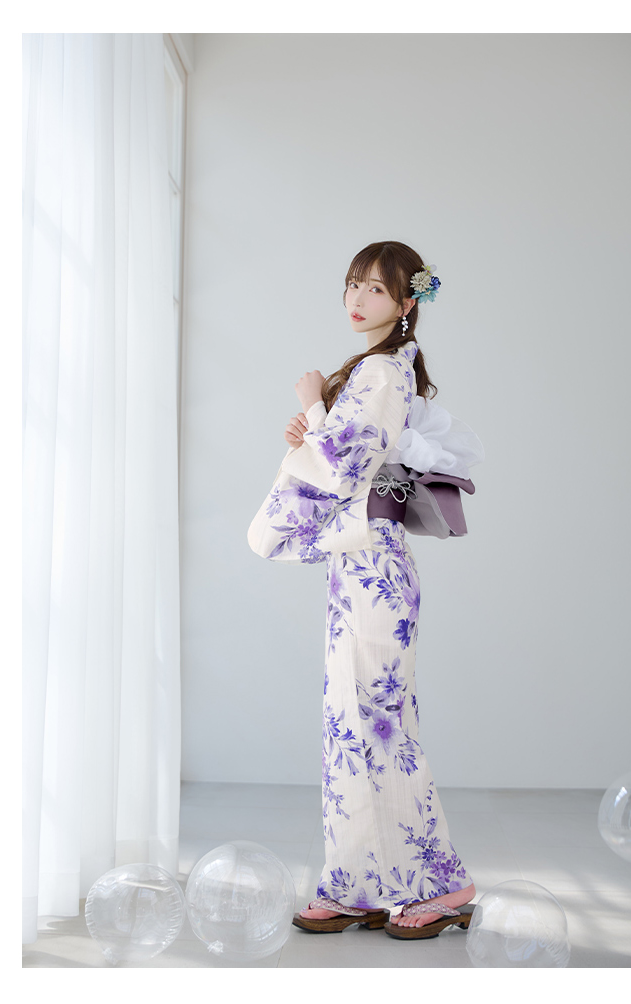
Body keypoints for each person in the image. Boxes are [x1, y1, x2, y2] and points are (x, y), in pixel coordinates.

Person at [247, 241, 484, 939]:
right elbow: (347, 452)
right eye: (353, 283)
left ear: (408, 302)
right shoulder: (378, 369)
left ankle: (440, 884)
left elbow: (346, 465)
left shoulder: (381, 370)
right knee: (352, 729)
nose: (357, 298)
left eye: (376, 289)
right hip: (363, 568)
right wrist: (317, 422)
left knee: (380, 729)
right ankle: (356, 882)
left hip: (373, 566)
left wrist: (313, 410)